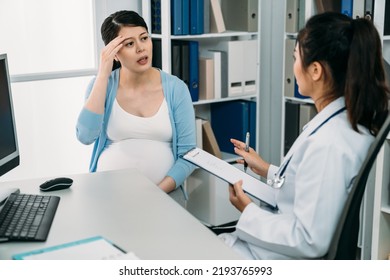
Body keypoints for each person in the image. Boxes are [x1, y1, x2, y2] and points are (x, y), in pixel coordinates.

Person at [220, 12, 390, 259]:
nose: (293, 66)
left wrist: (247, 211)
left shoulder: (330, 143)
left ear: (316, 70)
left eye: (295, 57)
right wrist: (267, 169)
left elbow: (309, 239)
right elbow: (310, 187)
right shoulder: (339, 123)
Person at [76, 10, 196, 200]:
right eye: (130, 44)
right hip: (108, 196)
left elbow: (189, 156)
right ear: (114, 53)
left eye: (144, 38)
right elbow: (85, 136)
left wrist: (155, 193)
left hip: (163, 197)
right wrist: (102, 76)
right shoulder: (101, 86)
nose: (141, 48)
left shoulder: (176, 89)